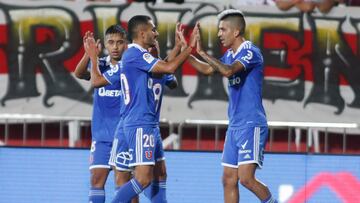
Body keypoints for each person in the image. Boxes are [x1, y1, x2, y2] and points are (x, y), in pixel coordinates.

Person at [186, 9, 277, 203]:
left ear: (236, 32)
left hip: (251, 124)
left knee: (246, 179)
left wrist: (202, 52)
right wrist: (185, 52)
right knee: (228, 179)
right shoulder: (230, 54)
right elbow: (208, 69)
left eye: (223, 30)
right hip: (235, 125)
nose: (219, 34)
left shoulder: (251, 51)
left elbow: (227, 71)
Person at [111, 15, 198, 203]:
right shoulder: (135, 53)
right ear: (142, 34)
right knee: (142, 179)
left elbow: (164, 68)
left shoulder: (139, 56)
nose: (156, 33)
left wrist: (177, 48)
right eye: (153, 30)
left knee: (160, 174)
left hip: (149, 123)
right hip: (140, 122)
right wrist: (190, 47)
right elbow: (169, 67)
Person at [75, 24, 134, 203]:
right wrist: (89, 53)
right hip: (101, 137)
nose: (115, 47)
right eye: (111, 42)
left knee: (124, 184)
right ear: (106, 45)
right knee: (96, 180)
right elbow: (78, 73)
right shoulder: (100, 65)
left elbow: (95, 82)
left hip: (123, 136)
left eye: (119, 42)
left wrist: (93, 56)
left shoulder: (131, 67)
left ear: (127, 44)